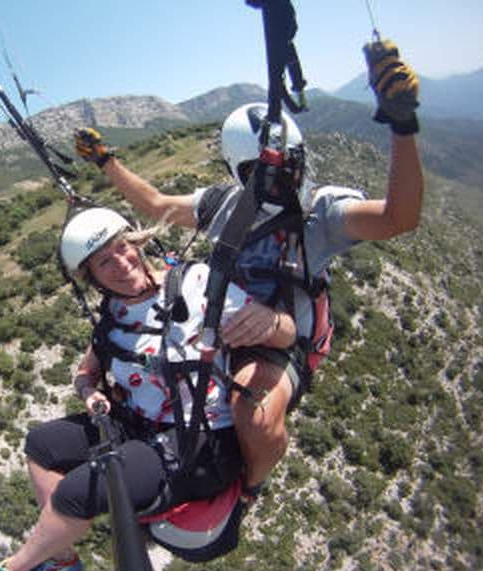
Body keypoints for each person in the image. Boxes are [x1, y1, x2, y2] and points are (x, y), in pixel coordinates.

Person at [73, 40, 424, 502]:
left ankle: (250, 487)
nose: (287, 181)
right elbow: (156, 205)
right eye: (272, 172)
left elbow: (398, 218)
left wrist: (401, 124)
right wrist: (106, 162)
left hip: (279, 341)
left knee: (251, 416)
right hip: (219, 326)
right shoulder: (223, 207)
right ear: (243, 173)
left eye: (290, 169)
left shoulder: (317, 216)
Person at [0, 207, 297, 571]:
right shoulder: (113, 315)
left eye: (123, 248)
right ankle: (61, 555)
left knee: (74, 493)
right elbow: (85, 373)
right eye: (105, 261)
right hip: (136, 423)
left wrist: (271, 322)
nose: (122, 263)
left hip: (198, 440)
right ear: (95, 279)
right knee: (41, 444)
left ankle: (15, 569)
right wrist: (90, 393)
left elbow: (286, 335)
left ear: (136, 243)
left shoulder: (197, 284)